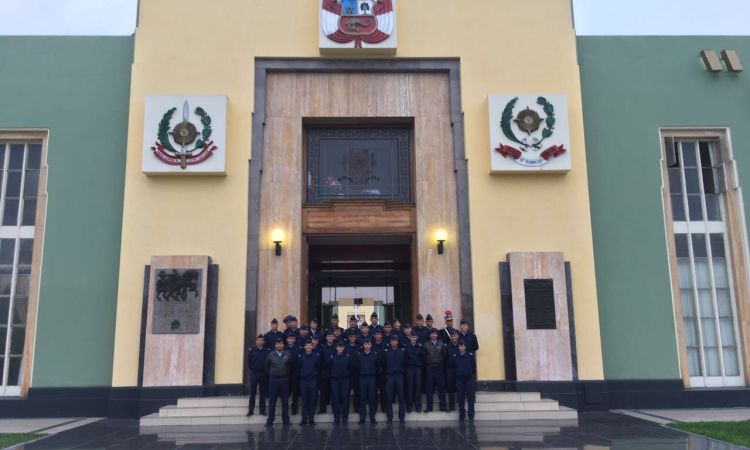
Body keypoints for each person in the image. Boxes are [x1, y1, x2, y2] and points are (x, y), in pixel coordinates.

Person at [265, 338, 292, 427]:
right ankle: (270, 420)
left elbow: (290, 366)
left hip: (284, 380)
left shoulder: (287, 354)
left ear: (283, 345)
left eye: (281, 344)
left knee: (285, 401)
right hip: (273, 380)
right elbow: (267, 367)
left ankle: (285, 420)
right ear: (275, 345)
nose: (279, 345)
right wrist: (273, 375)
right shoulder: (270, 355)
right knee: (272, 401)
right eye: (278, 344)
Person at [448, 340, 477, 422]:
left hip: (469, 379)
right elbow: (453, 367)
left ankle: (471, 416)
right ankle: (461, 416)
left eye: (463, 346)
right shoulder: (455, 356)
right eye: (460, 346)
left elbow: (474, 367)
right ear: (458, 347)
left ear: (465, 347)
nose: (461, 347)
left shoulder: (470, 355)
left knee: (470, 398)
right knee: (461, 398)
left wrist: (470, 373)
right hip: (460, 379)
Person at [382, 335, 406, 424]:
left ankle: (402, 417)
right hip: (390, 376)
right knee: (389, 397)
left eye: (395, 341)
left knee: (401, 397)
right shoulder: (386, 352)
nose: (394, 342)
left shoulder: (402, 351)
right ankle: (389, 417)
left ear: (398, 342)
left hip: (399, 376)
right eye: (392, 341)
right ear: (390, 342)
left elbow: (405, 363)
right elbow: (383, 363)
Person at [296, 340, 321, 425]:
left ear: (312, 346)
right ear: (304, 347)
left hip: (312, 380)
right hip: (303, 380)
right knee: (304, 400)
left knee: (312, 400)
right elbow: (298, 367)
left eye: (310, 345)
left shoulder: (316, 356)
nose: (309, 346)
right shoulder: (300, 356)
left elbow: (318, 367)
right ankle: (304, 419)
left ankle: (311, 419)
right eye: (307, 345)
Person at [422, 329, 447, 412]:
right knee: (429, 388)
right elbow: (423, 356)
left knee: (440, 387)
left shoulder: (441, 344)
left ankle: (443, 406)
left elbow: (444, 355)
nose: (433, 335)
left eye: (435, 334)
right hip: (429, 367)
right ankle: (429, 407)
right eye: (432, 334)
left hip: (439, 367)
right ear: (430, 336)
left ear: (437, 335)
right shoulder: (426, 345)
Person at [356, 338, 380, 424]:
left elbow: (377, 367)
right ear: (363, 345)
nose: (367, 346)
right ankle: (362, 417)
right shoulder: (359, 355)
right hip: (362, 377)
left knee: (372, 398)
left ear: (371, 345)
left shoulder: (375, 355)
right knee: (362, 397)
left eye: (368, 344)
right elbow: (357, 366)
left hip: (371, 378)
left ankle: (372, 417)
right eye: (365, 344)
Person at [330, 342, 352, 424]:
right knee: (335, 399)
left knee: (345, 399)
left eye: (341, 347)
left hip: (345, 380)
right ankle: (336, 418)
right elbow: (330, 367)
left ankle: (345, 418)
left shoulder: (347, 357)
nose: (340, 348)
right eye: (338, 347)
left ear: (344, 348)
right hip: (335, 380)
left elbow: (350, 368)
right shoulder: (332, 357)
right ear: (336, 348)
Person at [247, 334, 269, 416]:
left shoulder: (266, 351)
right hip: (254, 373)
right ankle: (250, 410)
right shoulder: (252, 350)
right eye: (258, 340)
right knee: (252, 392)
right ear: (256, 341)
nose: (260, 341)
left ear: (264, 342)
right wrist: (252, 368)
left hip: (263, 373)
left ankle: (262, 410)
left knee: (262, 392)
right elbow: (249, 362)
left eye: (261, 340)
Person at [318, 332, 337, 414]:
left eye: (331, 336)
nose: (330, 337)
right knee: (323, 391)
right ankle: (322, 409)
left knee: (334, 391)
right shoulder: (322, 347)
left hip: (334, 370)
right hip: (324, 371)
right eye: (328, 336)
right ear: (326, 338)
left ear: (333, 337)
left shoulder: (336, 346)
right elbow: (320, 359)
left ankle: (334, 410)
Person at [404, 333, 423, 413]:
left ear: (416, 338)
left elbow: (422, 357)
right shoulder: (406, 347)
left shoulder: (419, 346)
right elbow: (405, 358)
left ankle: (418, 406)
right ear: (409, 338)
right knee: (410, 387)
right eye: (411, 337)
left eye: (414, 337)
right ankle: (409, 406)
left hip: (418, 368)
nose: (413, 338)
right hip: (409, 368)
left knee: (418, 387)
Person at [345, 332, 362, 412]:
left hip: (356, 371)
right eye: (350, 336)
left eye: (353, 336)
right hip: (347, 371)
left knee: (357, 390)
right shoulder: (345, 347)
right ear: (348, 338)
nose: (352, 338)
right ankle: (346, 408)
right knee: (346, 390)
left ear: (356, 338)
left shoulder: (359, 348)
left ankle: (357, 408)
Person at [285, 335, 301, 415]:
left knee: (295, 391)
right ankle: (285, 409)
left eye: (292, 338)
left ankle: (294, 408)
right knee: (285, 392)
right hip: (285, 373)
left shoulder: (298, 349)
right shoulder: (284, 349)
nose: (291, 340)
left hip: (295, 373)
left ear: (294, 340)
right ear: (287, 340)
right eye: (289, 338)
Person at [371, 330, 388, 412]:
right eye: (376, 334)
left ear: (381, 336)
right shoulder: (371, 345)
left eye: (379, 334)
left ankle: (384, 408)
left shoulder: (385, 345)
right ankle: (374, 408)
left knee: (383, 390)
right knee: (374, 391)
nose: (378, 336)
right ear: (374, 336)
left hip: (383, 372)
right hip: (374, 371)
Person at [444, 330, 460, 412]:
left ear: (458, 336)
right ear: (450, 337)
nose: (454, 337)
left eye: (455, 336)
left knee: (460, 388)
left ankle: (461, 406)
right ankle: (451, 406)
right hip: (449, 369)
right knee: (450, 388)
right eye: (452, 336)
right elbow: (445, 357)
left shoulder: (461, 346)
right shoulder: (447, 346)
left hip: (458, 369)